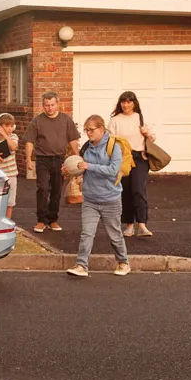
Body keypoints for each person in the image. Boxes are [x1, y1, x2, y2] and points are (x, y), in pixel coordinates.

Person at [66, 115, 130, 278]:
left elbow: (113, 170)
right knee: (87, 233)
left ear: (101, 129)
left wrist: (89, 166)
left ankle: (123, 262)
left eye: (91, 130)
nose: (88, 133)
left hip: (110, 199)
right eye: (86, 130)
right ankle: (81, 265)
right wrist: (72, 168)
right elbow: (81, 166)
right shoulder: (87, 146)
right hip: (90, 199)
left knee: (115, 235)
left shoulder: (113, 146)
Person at [24, 92, 80, 233]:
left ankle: (53, 219)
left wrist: (78, 157)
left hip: (59, 160)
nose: (50, 108)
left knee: (56, 190)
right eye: (47, 105)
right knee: (42, 188)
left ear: (58, 104)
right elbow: (29, 141)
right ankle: (41, 220)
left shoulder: (66, 120)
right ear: (43, 105)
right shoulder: (37, 121)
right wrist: (28, 159)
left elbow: (73, 140)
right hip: (42, 159)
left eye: (52, 105)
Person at [109, 90, 156, 237]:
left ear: (134, 103)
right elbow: (110, 141)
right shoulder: (115, 120)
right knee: (126, 191)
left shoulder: (140, 118)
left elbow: (153, 138)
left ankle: (142, 225)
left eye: (129, 101)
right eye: (123, 101)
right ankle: (129, 225)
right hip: (123, 158)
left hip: (139, 157)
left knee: (138, 189)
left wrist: (146, 132)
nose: (126, 105)